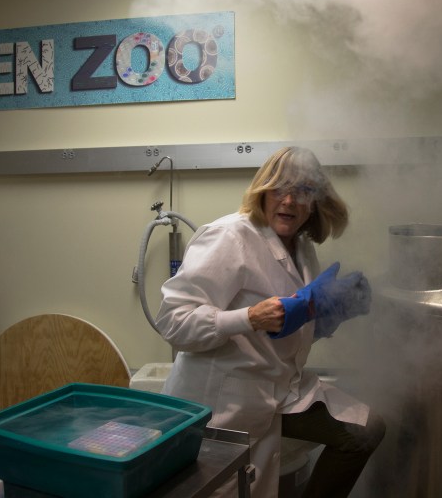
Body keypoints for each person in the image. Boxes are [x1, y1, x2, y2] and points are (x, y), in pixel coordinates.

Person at [156, 146, 385, 498]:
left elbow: (285, 329)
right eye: (280, 188)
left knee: (365, 432)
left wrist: (327, 315)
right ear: (262, 191)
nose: (290, 200)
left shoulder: (301, 246)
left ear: (316, 201)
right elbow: (173, 322)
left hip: (278, 389)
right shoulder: (229, 237)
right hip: (224, 400)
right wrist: (248, 317)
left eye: (303, 191)